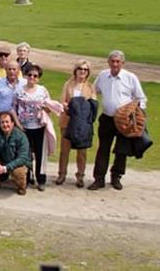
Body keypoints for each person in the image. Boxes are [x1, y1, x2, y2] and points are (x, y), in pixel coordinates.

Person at [90, 50, 147, 191]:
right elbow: (93, 90)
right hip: (107, 118)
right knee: (103, 148)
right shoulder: (103, 75)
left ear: (123, 63)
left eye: (118, 61)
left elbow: (141, 97)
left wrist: (137, 111)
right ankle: (99, 179)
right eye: (112, 61)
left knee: (122, 150)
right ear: (108, 62)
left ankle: (116, 177)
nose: (115, 64)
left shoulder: (130, 77)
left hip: (124, 120)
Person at [57, 60, 97, 188]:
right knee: (64, 150)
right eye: (80, 68)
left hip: (82, 124)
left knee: (82, 151)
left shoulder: (90, 87)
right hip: (68, 121)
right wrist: (67, 107)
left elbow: (93, 105)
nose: (82, 71)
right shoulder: (68, 84)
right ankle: (62, 174)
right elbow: (63, 101)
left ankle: (80, 176)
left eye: (85, 69)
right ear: (75, 70)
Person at [14, 64, 53, 191]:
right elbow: (13, 108)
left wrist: (44, 108)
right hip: (24, 127)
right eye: (30, 75)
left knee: (40, 153)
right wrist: (18, 124)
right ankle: (27, 176)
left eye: (35, 76)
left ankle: (41, 179)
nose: (32, 77)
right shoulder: (19, 90)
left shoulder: (42, 90)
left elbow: (50, 107)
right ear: (25, 76)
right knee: (26, 153)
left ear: (38, 78)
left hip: (39, 126)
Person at [0, 111, 31, 195]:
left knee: (19, 172)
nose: (5, 125)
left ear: (12, 123)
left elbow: (23, 158)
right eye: (2, 122)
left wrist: (6, 168)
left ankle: (21, 186)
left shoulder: (21, 136)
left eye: (7, 122)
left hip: (17, 163)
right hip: (1, 160)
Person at [0, 61, 25, 126]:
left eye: (14, 69)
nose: (11, 71)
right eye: (9, 69)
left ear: (18, 70)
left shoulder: (24, 83)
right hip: (3, 120)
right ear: (5, 70)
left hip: (22, 119)